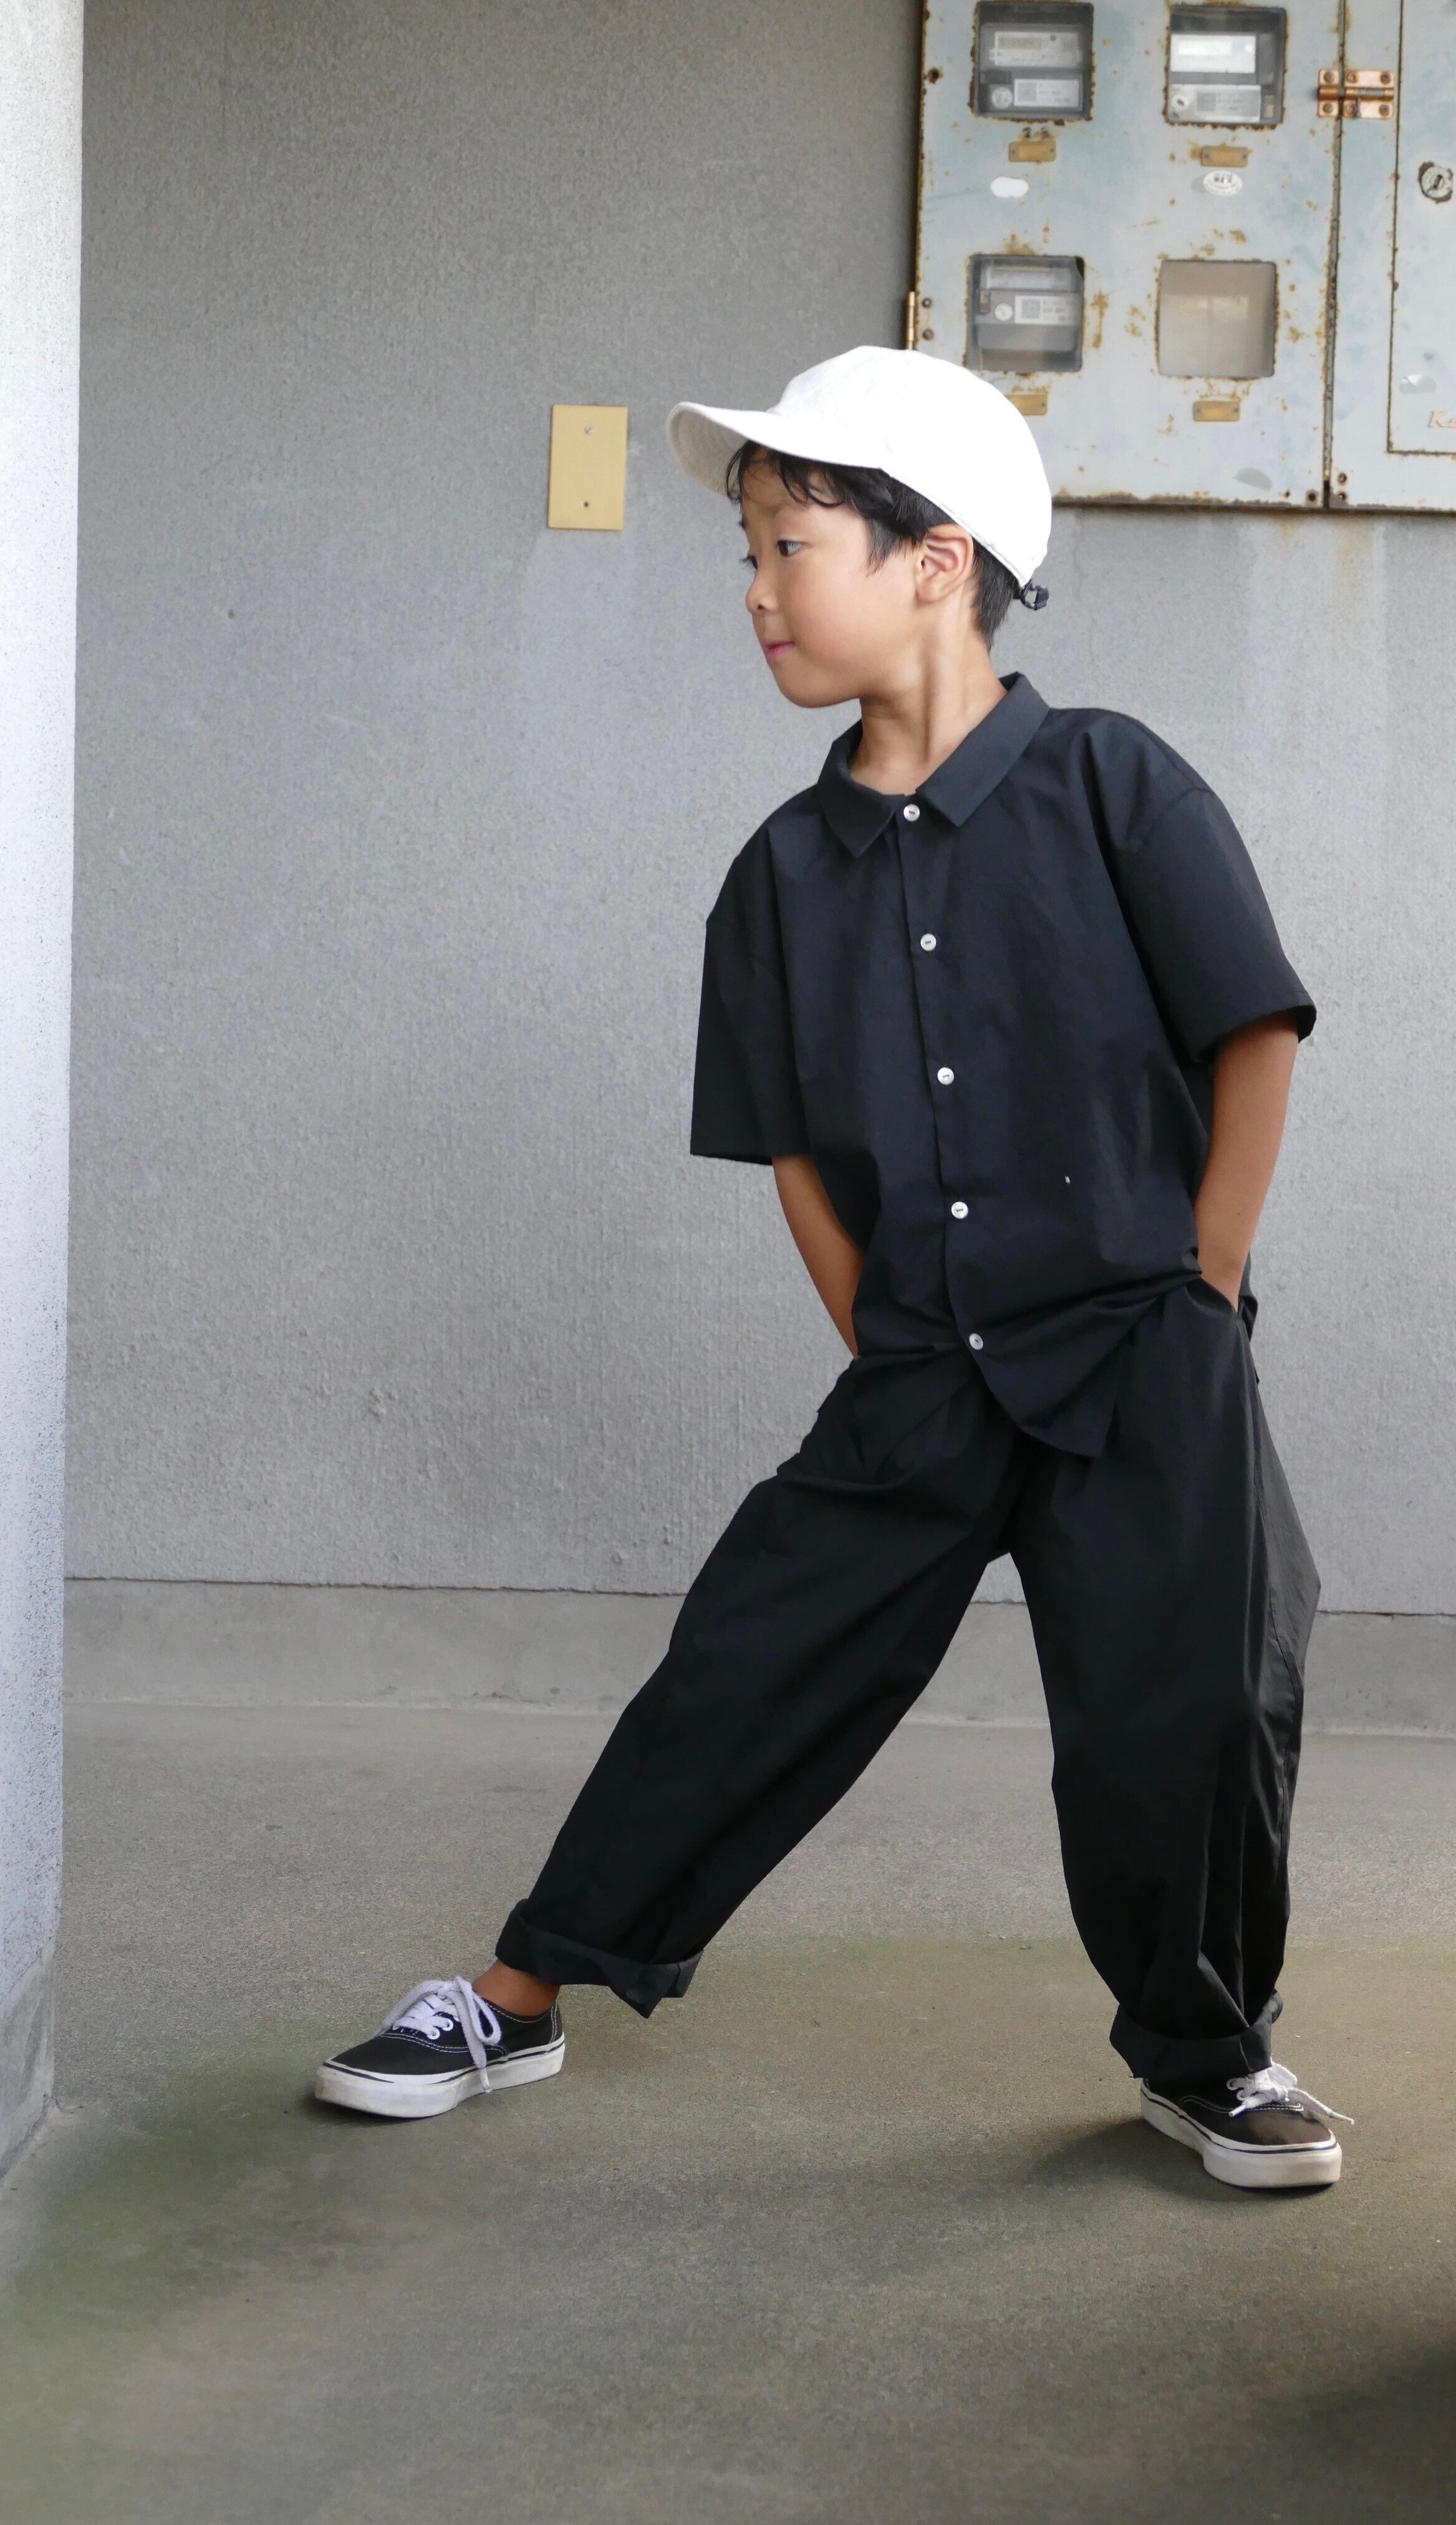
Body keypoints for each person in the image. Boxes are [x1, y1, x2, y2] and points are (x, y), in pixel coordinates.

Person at [317, 345, 1348, 2190]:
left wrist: (1203, 1284)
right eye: (752, 554)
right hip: (927, 1365)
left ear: (934, 562)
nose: (756, 592)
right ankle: (518, 1993)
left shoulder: (1115, 784)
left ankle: (1211, 2056)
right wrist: (880, 1331)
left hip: (1143, 1351)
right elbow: (791, 1143)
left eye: (789, 547)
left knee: (1190, 1710)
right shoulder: (782, 873)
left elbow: (1249, 1031)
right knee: (747, 1661)